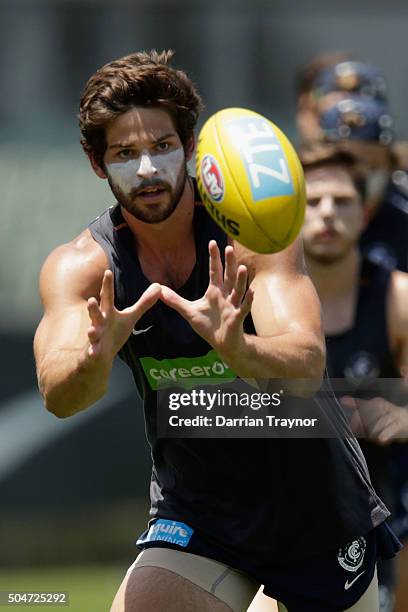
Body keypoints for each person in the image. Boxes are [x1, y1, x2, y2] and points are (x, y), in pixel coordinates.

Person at [34, 50, 399, 612]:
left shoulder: (250, 234)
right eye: (126, 154)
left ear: (192, 149)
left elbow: (305, 366)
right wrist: (92, 356)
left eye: (162, 147)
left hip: (314, 505)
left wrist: (240, 348)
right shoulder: (82, 268)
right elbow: (60, 396)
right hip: (198, 508)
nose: (149, 171)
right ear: (96, 163)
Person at [300, 145, 408, 612]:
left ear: (365, 215)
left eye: (342, 201)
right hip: (268, 515)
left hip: (372, 520)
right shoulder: (250, 297)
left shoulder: (398, 299)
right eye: (311, 201)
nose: (327, 213)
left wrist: (398, 415)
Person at [296, 53, 408, 274]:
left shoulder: (401, 212)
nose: (327, 211)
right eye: (349, 163)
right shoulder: (290, 196)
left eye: (370, 166)